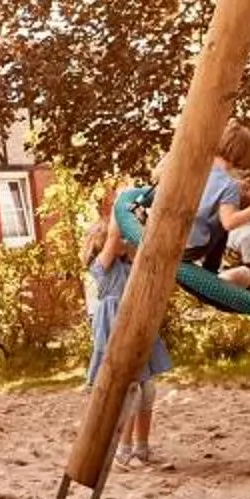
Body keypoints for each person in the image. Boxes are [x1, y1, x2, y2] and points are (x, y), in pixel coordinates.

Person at [83, 188, 170, 467]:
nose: (123, 239)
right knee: (130, 393)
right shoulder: (102, 267)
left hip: (137, 326)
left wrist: (143, 213)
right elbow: (112, 237)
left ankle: (142, 448)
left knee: (148, 391)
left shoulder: (129, 264)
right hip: (116, 331)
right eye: (119, 237)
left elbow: (145, 246)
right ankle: (124, 450)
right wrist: (122, 204)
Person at [187, 119, 250, 289]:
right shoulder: (229, 185)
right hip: (190, 250)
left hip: (172, 236)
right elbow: (228, 222)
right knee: (221, 222)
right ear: (242, 153)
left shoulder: (197, 168)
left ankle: (214, 268)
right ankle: (210, 270)